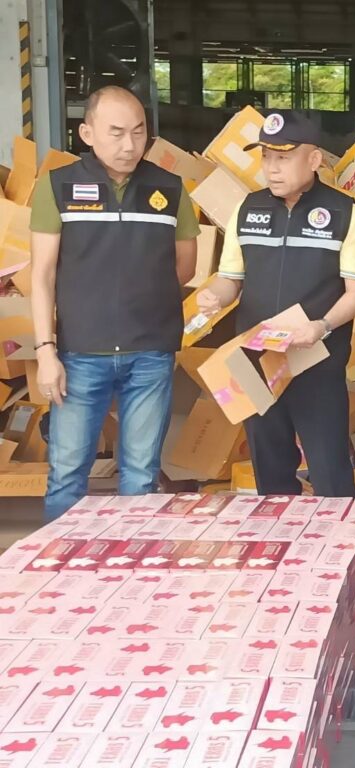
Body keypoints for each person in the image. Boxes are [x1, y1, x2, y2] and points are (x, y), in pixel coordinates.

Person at [30, 86, 199, 520]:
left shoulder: (170, 188)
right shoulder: (58, 186)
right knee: (68, 472)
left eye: (139, 132)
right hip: (80, 353)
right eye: (117, 132)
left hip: (150, 353)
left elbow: (185, 267)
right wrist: (46, 351)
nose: (130, 145)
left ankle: (129, 561)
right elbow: (42, 275)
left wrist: (142, 299)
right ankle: (61, 562)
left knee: (141, 475)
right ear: (87, 133)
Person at [196, 110, 355, 496]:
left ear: (314, 159)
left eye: (283, 157)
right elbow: (231, 280)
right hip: (258, 362)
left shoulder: (345, 213)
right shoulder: (248, 209)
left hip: (316, 364)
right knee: (270, 474)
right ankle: (280, 537)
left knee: (330, 474)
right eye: (265, 157)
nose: (271, 168)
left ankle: (341, 539)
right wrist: (214, 296)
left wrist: (322, 326)